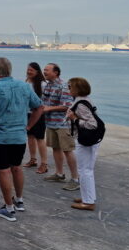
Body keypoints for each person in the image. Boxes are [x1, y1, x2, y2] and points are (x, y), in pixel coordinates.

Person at [0, 57, 43, 222]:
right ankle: (19, 200)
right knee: (17, 167)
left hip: (0, 136)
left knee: (3, 170)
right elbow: (39, 107)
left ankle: (8, 208)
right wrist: (28, 126)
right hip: (19, 136)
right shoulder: (24, 86)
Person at [42, 63, 80, 191]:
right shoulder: (48, 85)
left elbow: (67, 106)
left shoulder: (64, 86)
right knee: (55, 148)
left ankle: (75, 179)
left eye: (47, 70)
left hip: (63, 124)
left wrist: (48, 108)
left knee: (68, 150)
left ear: (56, 72)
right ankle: (59, 174)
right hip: (50, 123)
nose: (44, 72)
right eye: (44, 70)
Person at [66, 77, 100, 211]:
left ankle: (88, 202)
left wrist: (74, 119)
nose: (68, 89)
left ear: (77, 88)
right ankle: (88, 197)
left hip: (86, 140)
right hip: (90, 140)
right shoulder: (85, 100)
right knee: (87, 170)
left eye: (70, 87)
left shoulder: (80, 104)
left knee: (84, 170)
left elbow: (92, 124)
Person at [23, 62, 48, 173]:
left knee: (40, 138)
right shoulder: (27, 82)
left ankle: (44, 164)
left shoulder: (43, 84)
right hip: (28, 113)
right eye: (28, 70)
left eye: (31, 70)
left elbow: (46, 100)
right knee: (30, 137)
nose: (29, 72)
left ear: (37, 72)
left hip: (39, 114)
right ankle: (33, 159)